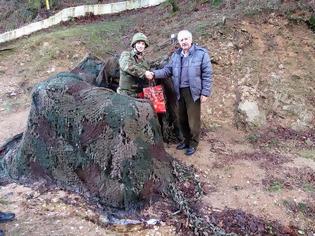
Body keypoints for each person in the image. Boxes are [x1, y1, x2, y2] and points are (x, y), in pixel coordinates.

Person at [146, 30, 212, 156]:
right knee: (182, 119)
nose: (184, 42)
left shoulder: (201, 54)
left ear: (191, 39)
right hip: (179, 91)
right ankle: (185, 141)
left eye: (186, 39)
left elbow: (207, 74)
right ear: (179, 42)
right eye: (181, 40)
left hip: (193, 92)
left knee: (193, 120)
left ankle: (193, 144)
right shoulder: (176, 55)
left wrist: (205, 92)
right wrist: (154, 74)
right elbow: (168, 70)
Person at [117, 32, 152, 97]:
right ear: (134, 44)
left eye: (143, 44)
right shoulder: (126, 55)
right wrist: (144, 73)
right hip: (125, 94)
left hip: (139, 94)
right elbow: (127, 66)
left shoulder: (145, 61)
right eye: (138, 43)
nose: (141, 46)